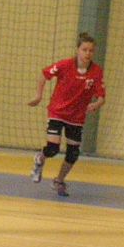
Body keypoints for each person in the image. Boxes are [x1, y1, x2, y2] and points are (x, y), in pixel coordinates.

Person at [28, 33, 105, 197]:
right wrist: (38, 95)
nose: (88, 53)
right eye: (84, 49)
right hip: (58, 112)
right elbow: (44, 74)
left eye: (91, 50)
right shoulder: (65, 65)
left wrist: (96, 104)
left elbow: (101, 96)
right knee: (53, 149)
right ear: (77, 50)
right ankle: (40, 158)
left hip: (76, 117)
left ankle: (59, 181)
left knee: (73, 153)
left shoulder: (97, 72)